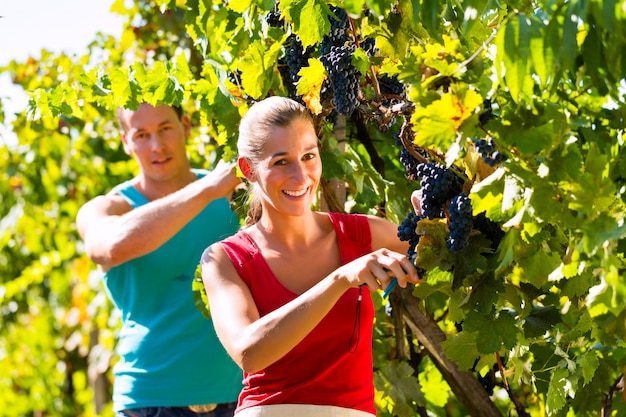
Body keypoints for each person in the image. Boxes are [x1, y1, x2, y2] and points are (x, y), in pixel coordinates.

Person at [200, 96, 421, 417]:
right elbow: (249, 351)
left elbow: (441, 253)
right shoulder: (226, 258)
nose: (301, 176)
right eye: (281, 162)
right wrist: (341, 278)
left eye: (308, 156)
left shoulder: (360, 234)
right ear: (248, 169)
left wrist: (429, 223)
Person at [76, 103, 244, 417]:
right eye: (142, 135)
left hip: (240, 398)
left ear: (186, 125)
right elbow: (109, 246)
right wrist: (206, 190)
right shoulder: (108, 208)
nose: (157, 145)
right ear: (126, 142)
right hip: (150, 403)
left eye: (165, 128)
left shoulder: (233, 193)